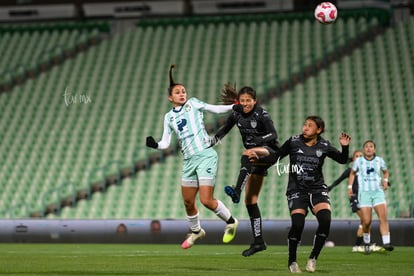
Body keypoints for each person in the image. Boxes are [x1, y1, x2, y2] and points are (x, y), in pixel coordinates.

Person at [146, 64, 239, 249]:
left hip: (205, 154)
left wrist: (233, 106)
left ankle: (231, 221)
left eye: (183, 91)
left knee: (205, 200)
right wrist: (155, 145)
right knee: (188, 202)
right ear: (170, 97)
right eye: (178, 92)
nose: (182, 94)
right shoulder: (168, 117)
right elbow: (165, 142)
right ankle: (196, 231)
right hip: (188, 160)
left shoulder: (193, 103)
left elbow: (215, 109)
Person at [249, 116, 351, 273]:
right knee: (298, 225)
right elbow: (276, 156)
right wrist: (259, 159)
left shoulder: (324, 145)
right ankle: (292, 262)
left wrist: (345, 147)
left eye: (310, 126)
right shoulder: (293, 141)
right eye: (305, 124)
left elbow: (343, 160)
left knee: (325, 220)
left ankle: (313, 258)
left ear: (319, 130)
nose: (305, 127)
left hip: (317, 189)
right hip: (297, 189)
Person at [212, 84, 279, 256]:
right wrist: (212, 141)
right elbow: (225, 129)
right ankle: (259, 242)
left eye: (248, 100)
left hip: (270, 152)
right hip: (255, 160)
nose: (245, 103)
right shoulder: (236, 114)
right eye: (242, 101)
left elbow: (273, 134)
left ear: (254, 101)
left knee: (247, 153)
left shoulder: (262, 114)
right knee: (251, 202)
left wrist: (258, 139)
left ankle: (236, 190)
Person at [328, 150, 384, 253]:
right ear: (353, 159)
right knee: (365, 220)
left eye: (360, 156)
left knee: (364, 222)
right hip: (355, 198)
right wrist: (329, 188)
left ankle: (357, 246)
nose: (359, 158)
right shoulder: (350, 171)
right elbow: (338, 180)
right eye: (357, 156)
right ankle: (368, 244)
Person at [348, 140, 394, 254]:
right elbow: (352, 173)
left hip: (378, 192)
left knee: (383, 218)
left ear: (374, 149)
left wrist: (385, 180)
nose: (369, 148)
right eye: (366, 147)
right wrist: (349, 187)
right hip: (364, 193)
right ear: (364, 149)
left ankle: (386, 242)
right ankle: (367, 243)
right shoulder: (359, 161)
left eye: (371, 146)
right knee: (367, 221)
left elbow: (386, 172)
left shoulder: (379, 160)